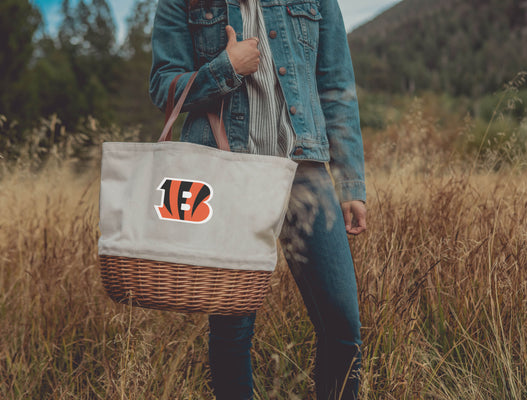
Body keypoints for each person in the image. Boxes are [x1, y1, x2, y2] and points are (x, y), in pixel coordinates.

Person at [150, 0, 367, 398]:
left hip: (305, 173)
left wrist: (351, 182)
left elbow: (336, 87)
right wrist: (225, 69)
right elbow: (163, 85)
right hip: (227, 175)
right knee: (233, 332)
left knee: (342, 327)